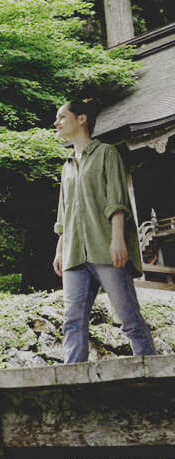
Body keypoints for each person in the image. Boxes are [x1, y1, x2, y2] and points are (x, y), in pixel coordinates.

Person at [53, 98, 156, 363]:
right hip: (75, 253)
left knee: (128, 317)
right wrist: (60, 248)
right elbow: (64, 213)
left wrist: (117, 239)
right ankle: (72, 382)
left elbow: (116, 201)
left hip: (106, 248)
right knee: (72, 320)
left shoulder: (107, 154)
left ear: (82, 119)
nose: (57, 123)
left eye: (62, 116)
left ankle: (151, 373)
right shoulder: (66, 166)